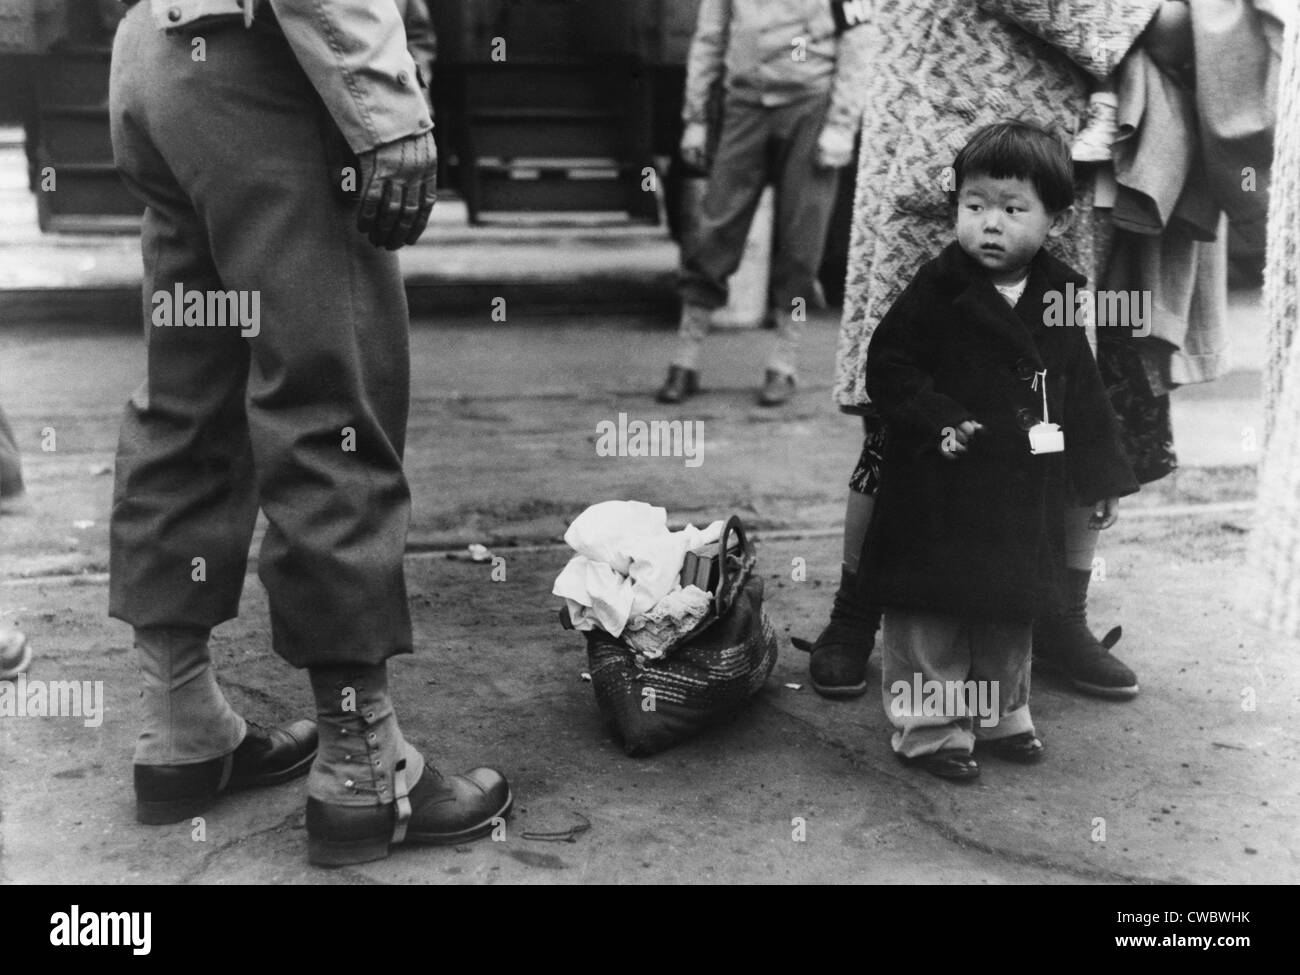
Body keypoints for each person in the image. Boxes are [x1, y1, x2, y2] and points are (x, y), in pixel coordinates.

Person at [109, 0, 510, 867]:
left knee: (192, 394)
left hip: (159, 57)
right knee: (330, 401)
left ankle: (181, 727)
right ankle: (367, 772)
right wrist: (384, 102)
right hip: (270, 67)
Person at [801, 0, 1169, 701]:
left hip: (1048, 139)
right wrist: (1144, 16)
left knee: (1052, 399)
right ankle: (857, 612)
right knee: (901, 404)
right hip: (939, 112)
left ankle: (1058, 614)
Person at [863, 121, 1139, 781]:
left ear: (1054, 219)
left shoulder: (1061, 293)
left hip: (1020, 485)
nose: (990, 224)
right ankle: (931, 725)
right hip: (940, 483)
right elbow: (890, 366)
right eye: (975, 205)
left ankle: (999, 709)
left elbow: (1081, 390)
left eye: (1013, 210)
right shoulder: (938, 287)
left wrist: (1098, 476)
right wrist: (940, 419)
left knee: (1009, 604)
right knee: (931, 608)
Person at [656, 0, 870, 407]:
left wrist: (842, 124)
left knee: (801, 244)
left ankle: (783, 364)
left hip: (811, 105)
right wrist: (696, 118)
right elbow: (709, 37)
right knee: (713, 231)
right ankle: (685, 360)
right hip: (744, 104)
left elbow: (859, 40)